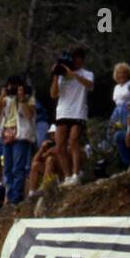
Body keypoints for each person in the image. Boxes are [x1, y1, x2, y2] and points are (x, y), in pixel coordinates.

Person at [50, 47, 93, 186]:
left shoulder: (87, 73)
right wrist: (56, 76)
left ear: (82, 59)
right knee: (60, 146)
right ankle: (67, 176)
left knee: (74, 141)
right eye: (73, 58)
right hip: (62, 112)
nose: (75, 61)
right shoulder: (62, 76)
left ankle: (76, 174)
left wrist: (73, 74)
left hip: (78, 111)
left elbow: (90, 85)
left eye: (77, 58)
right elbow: (53, 94)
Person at [0, 76, 36, 205]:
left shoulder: (28, 98)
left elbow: (29, 115)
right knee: (7, 169)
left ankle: (16, 197)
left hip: (20, 135)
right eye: (10, 85)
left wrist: (21, 100)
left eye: (15, 85)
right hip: (6, 135)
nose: (12, 88)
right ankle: (9, 197)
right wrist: (1, 96)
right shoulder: (6, 99)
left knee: (18, 168)